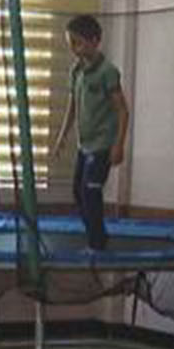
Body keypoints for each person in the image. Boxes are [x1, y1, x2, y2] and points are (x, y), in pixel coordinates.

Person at [52, 14, 129, 251]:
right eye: (71, 44)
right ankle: (96, 235)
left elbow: (122, 111)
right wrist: (62, 136)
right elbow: (72, 107)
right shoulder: (76, 71)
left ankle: (97, 243)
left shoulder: (108, 72)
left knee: (90, 192)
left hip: (103, 144)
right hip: (84, 145)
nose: (74, 49)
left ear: (95, 41)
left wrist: (118, 145)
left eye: (78, 43)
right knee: (78, 192)